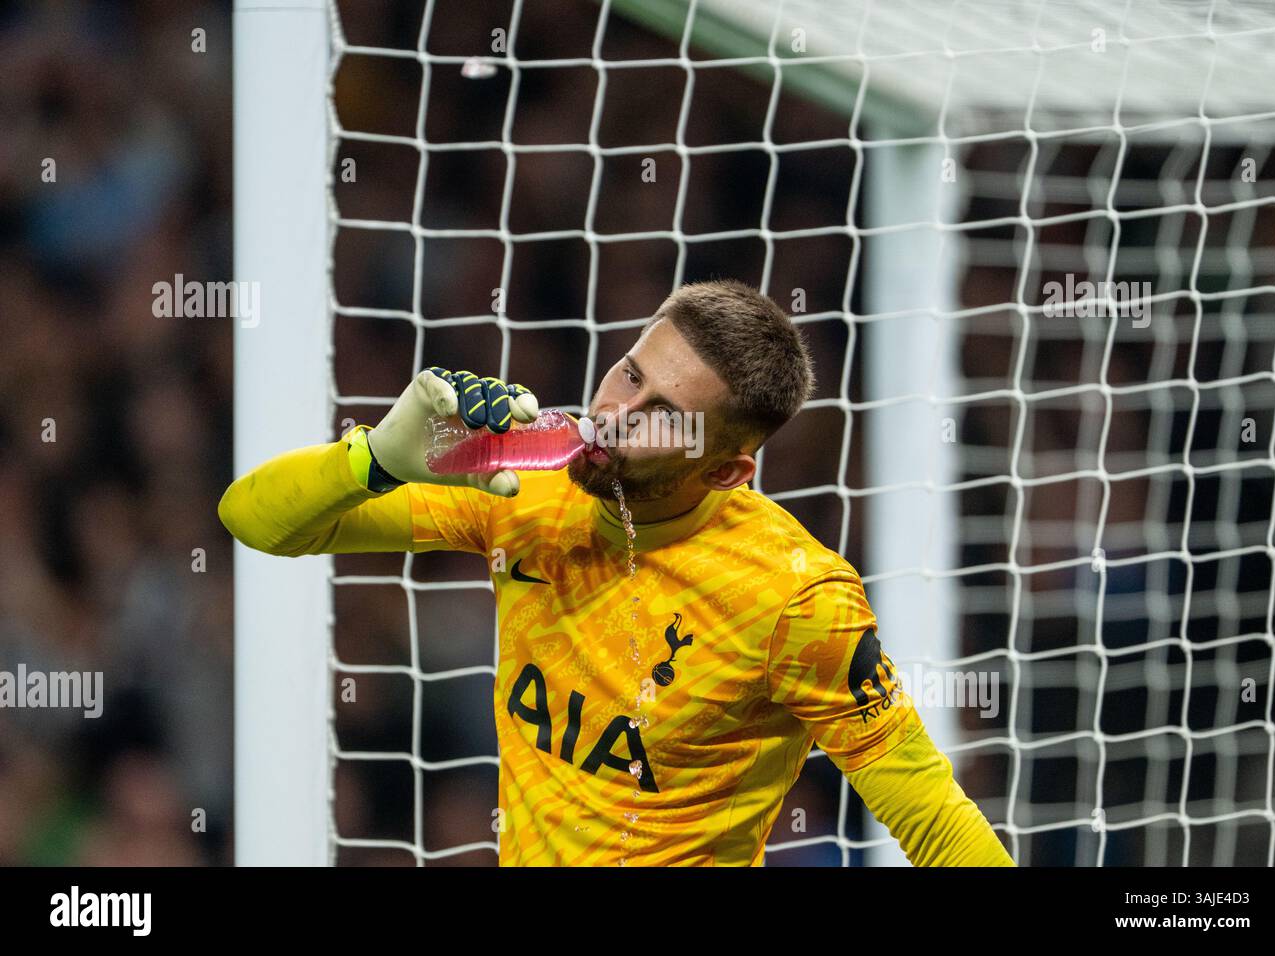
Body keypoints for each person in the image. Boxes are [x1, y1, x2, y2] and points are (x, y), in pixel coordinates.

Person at [218, 278, 1014, 867]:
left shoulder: (796, 598)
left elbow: (935, 821)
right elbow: (254, 521)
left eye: (664, 414)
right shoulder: (523, 485)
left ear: (728, 473)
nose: (616, 415)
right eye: (629, 373)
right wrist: (375, 459)